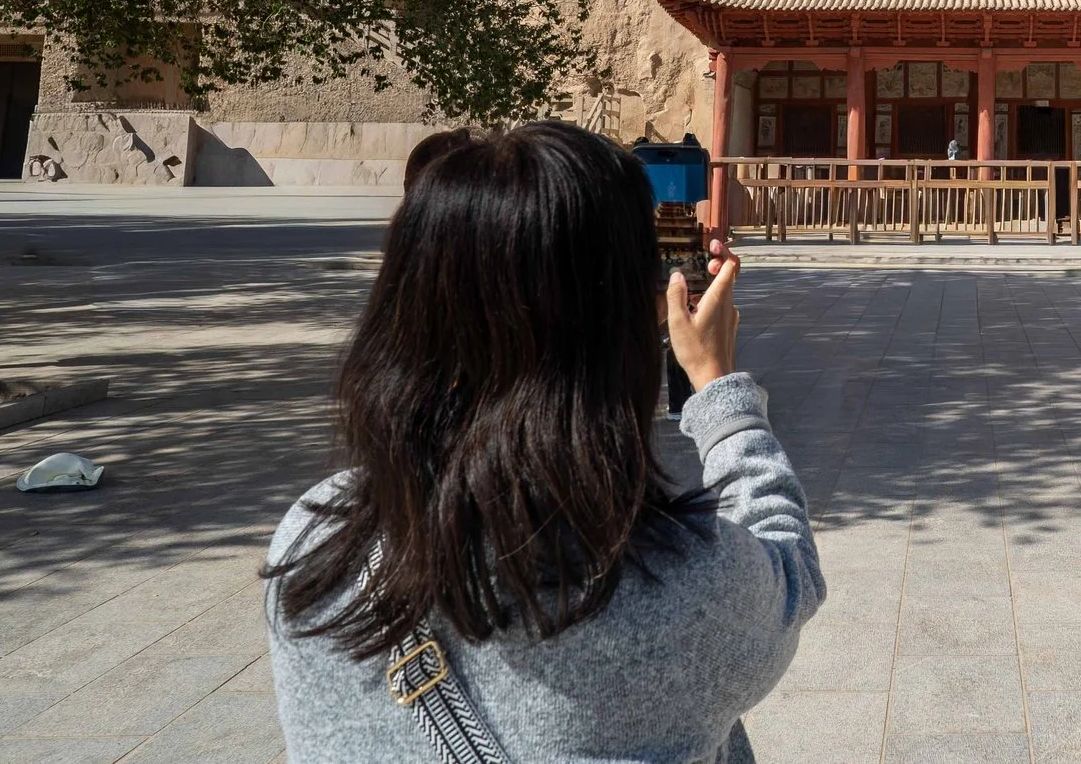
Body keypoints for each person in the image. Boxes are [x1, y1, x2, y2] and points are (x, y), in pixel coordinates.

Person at [264, 123, 822, 763]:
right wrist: (718, 388)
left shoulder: (313, 545)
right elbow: (791, 569)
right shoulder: (682, 581)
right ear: (624, 328)